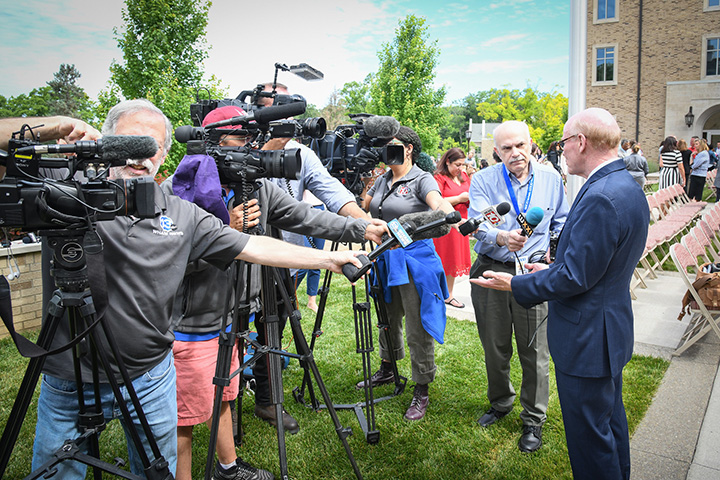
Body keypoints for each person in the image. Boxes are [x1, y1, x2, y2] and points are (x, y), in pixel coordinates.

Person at [23, 101, 364, 480]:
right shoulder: (65, 193)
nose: (140, 156)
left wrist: (330, 259)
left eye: (150, 146)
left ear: (164, 154)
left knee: (160, 471)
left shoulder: (179, 211)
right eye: (130, 143)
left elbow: (253, 246)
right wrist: (55, 127)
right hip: (70, 378)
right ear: (107, 141)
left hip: (150, 375)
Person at [163, 105, 386, 480]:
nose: (251, 148)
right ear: (212, 142)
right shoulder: (178, 189)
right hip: (193, 321)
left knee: (226, 396)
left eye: (253, 139)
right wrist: (223, 227)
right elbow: (169, 259)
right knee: (184, 416)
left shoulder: (259, 186)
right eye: (241, 139)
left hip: (237, 314)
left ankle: (228, 469)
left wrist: (360, 228)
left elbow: (307, 217)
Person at [472, 107, 649, 479]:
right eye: (506, 147)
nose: (563, 149)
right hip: (606, 329)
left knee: (591, 442)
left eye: (565, 142)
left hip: (587, 338)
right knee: (609, 426)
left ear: (581, 142)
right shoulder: (625, 185)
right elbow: (590, 265)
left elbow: (575, 278)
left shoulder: (599, 195)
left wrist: (515, 283)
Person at [240, 82, 372, 434]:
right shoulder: (236, 146)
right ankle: (228, 389)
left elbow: (330, 192)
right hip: (237, 261)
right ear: (261, 109)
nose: (287, 111)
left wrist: (363, 223)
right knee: (235, 329)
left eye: (291, 104)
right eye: (278, 104)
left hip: (287, 261)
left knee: (273, 327)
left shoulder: (302, 152)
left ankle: (267, 400)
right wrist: (266, 148)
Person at [467, 120, 569, 453]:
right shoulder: (483, 179)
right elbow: (477, 223)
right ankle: (500, 402)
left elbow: (562, 222)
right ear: (496, 151)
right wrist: (500, 236)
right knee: (495, 345)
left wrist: (553, 256)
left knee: (535, 350)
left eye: (520, 146)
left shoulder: (552, 180)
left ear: (531, 144)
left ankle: (533, 419)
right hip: (491, 269)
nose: (515, 154)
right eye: (507, 148)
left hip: (532, 273)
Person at [357, 126, 456, 421]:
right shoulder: (384, 177)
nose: (388, 149)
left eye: (394, 145)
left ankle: (421, 386)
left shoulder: (422, 179)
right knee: (386, 319)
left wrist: (421, 217)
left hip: (415, 260)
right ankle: (388, 367)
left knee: (417, 325)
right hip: (385, 258)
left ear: (409, 148)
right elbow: (365, 207)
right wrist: (367, 182)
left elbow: (440, 207)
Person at [432, 147, 471, 308]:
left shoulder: (463, 177)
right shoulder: (439, 178)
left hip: (462, 222)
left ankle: (449, 293)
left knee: (455, 258)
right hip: (445, 223)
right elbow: (436, 200)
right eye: (457, 164)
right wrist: (459, 198)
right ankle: (437, 292)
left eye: (462, 164)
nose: (460, 168)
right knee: (443, 257)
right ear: (447, 162)